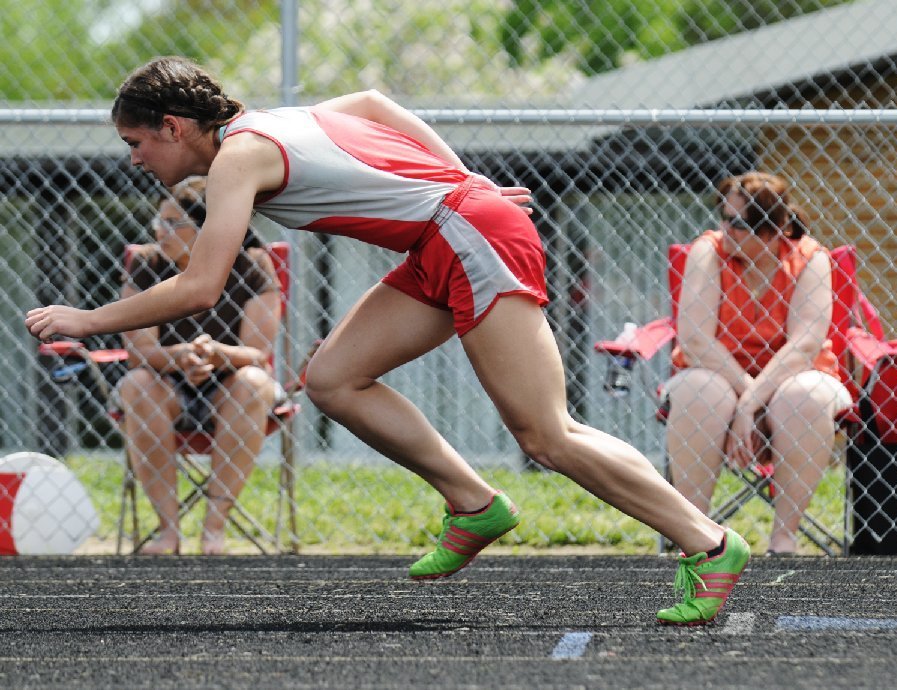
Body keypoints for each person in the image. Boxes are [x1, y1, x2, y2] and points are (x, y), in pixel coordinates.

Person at [26, 56, 749, 624]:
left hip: (468, 234)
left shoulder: (237, 160)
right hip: (446, 235)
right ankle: (474, 503)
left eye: (136, 142)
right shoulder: (271, 123)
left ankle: (708, 544)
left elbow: (199, 287)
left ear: (176, 126)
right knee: (334, 378)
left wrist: (86, 320)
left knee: (545, 434)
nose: (133, 158)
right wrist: (464, 176)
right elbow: (374, 103)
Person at [664, 171, 852, 555]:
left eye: (740, 223)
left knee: (807, 395)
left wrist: (749, 404)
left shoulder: (810, 260)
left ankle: (783, 538)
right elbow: (696, 338)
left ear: (774, 229)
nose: (725, 228)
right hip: (718, 379)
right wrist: (744, 396)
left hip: (791, 380)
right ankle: (697, 539)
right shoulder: (709, 252)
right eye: (724, 217)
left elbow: (803, 347)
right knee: (699, 390)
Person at [117, 176, 282, 555]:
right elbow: (139, 351)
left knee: (255, 381)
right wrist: (181, 357)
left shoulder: (252, 264)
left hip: (229, 387)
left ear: (208, 228)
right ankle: (168, 532)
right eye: (159, 221)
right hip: (166, 387)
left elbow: (257, 352)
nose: (161, 230)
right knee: (136, 383)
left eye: (174, 223)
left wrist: (212, 354)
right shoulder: (147, 264)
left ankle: (214, 530)